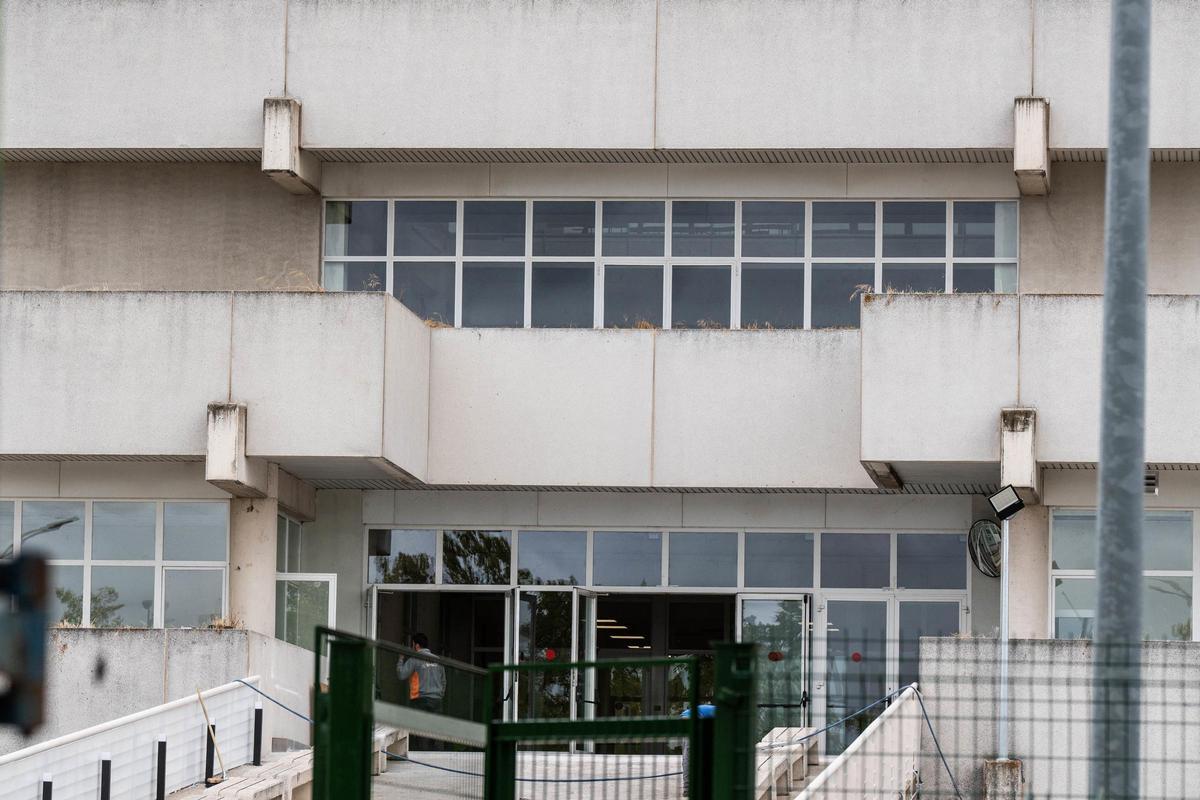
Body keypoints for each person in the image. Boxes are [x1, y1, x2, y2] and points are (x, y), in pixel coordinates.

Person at [397, 632, 446, 715]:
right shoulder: (438, 660)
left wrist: (401, 659)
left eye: (412, 645)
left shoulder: (414, 659)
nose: (412, 648)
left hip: (420, 700)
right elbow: (443, 681)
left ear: (417, 645)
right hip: (437, 701)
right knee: (434, 727)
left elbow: (401, 675)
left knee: (419, 727)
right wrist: (440, 694)